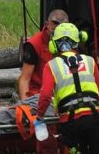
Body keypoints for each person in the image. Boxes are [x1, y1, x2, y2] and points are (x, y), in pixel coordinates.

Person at [36, 23, 99, 154]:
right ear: (78, 42)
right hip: (97, 119)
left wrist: (39, 117)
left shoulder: (51, 66)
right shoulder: (89, 61)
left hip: (71, 122)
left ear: (54, 45)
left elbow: (45, 95)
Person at [18, 9, 68, 154]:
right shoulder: (34, 44)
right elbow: (25, 78)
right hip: (40, 95)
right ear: (47, 24)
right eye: (54, 25)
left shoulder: (68, 41)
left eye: (61, 27)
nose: (57, 30)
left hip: (63, 93)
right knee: (47, 142)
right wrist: (25, 106)